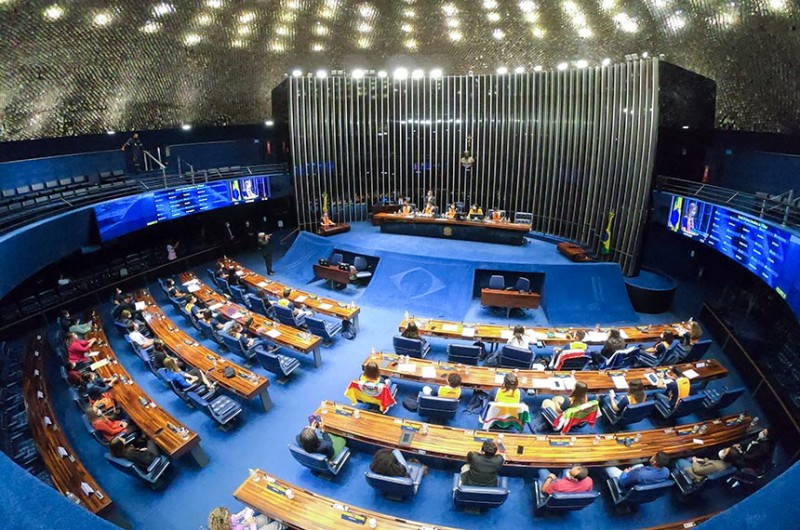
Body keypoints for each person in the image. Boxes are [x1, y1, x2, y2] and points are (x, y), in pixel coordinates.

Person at [605, 452, 670, 488]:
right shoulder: (666, 471)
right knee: (637, 461)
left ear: (654, 462)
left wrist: (625, 473)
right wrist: (633, 472)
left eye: (653, 456)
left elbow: (623, 482)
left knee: (607, 465)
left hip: (626, 482)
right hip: (645, 480)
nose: (652, 457)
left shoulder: (640, 474)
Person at [208, 506, 281, 530]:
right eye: (229, 516)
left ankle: (275, 513)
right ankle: (283, 523)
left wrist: (244, 511)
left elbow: (236, 517)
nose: (232, 516)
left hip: (244, 527)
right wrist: (252, 524)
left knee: (264, 518)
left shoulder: (226, 525)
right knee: (275, 526)